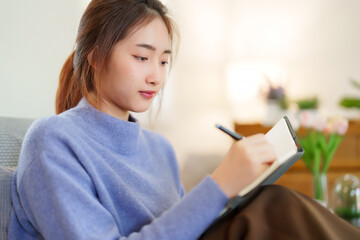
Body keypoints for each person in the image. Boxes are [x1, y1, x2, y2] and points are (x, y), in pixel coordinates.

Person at [8, 0, 360, 239]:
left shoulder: (159, 149)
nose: (156, 77)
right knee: (273, 207)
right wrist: (218, 184)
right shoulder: (52, 141)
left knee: (271, 201)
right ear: (96, 57)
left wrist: (232, 192)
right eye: (142, 57)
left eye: (163, 61)